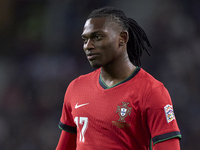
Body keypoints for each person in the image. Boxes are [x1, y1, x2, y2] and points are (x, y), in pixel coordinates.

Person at [56, 6, 182, 150]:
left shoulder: (152, 92)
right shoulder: (76, 88)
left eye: (97, 37)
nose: (88, 46)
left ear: (122, 38)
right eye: (85, 39)